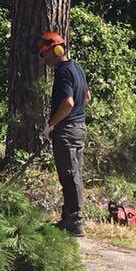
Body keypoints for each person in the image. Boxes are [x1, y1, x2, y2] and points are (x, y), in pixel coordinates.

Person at [39, 31, 89, 236]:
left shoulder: (62, 72)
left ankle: (75, 222)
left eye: (46, 55)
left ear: (57, 50)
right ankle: (68, 217)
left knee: (69, 176)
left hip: (67, 130)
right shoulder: (77, 68)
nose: (45, 60)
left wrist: (51, 124)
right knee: (74, 174)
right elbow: (86, 95)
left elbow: (68, 102)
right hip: (79, 127)